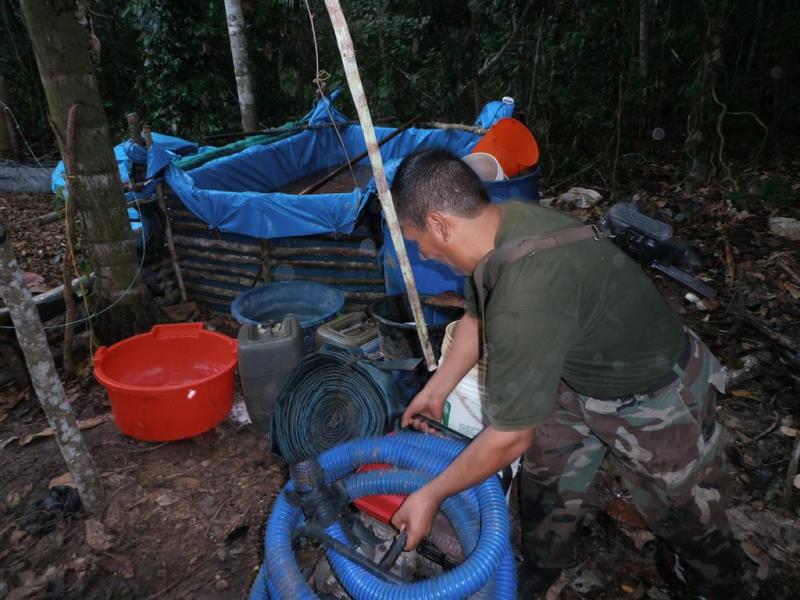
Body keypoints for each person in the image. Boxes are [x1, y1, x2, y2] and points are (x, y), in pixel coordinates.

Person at [388, 149, 745, 596]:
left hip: (657, 393)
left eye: (417, 239)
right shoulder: (503, 226)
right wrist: (436, 389)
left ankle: (719, 582)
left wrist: (431, 494)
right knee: (546, 473)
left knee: (687, 514)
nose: (422, 252)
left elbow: (508, 437)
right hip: (579, 372)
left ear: (440, 223)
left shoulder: (526, 295)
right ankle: (547, 560)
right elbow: (476, 320)